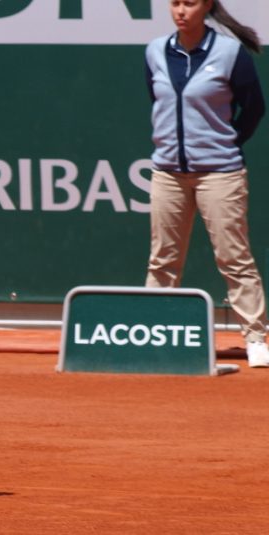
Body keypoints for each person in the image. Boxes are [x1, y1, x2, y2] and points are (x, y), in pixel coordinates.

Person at [145, 0, 268, 368]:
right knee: (162, 260)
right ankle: (153, 334)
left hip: (220, 174)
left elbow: (254, 107)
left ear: (207, 6)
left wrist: (225, 143)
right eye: (175, 3)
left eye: (190, 3)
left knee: (234, 258)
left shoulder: (229, 53)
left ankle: (256, 338)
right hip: (168, 174)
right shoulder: (155, 52)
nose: (181, 11)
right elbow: (157, 102)